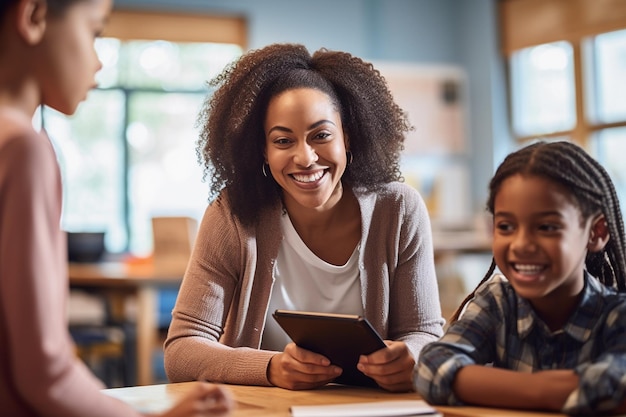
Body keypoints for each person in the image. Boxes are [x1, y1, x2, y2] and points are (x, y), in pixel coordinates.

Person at [163, 43, 445, 392]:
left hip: (371, 412)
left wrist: (412, 357)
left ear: (348, 137)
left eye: (321, 135)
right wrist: (270, 367)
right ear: (263, 152)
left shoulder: (399, 210)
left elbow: (426, 333)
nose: (306, 157)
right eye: (283, 141)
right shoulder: (232, 215)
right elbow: (181, 350)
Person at [0, 0, 233, 416]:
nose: (98, 63)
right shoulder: (24, 149)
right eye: (94, 33)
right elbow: (44, 375)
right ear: (33, 16)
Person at [416, 140, 626, 416]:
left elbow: (616, 385)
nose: (521, 244)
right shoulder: (497, 304)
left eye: (546, 227)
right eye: (506, 226)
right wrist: (546, 390)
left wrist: (487, 386)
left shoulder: (617, 316)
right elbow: (432, 368)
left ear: (596, 233)